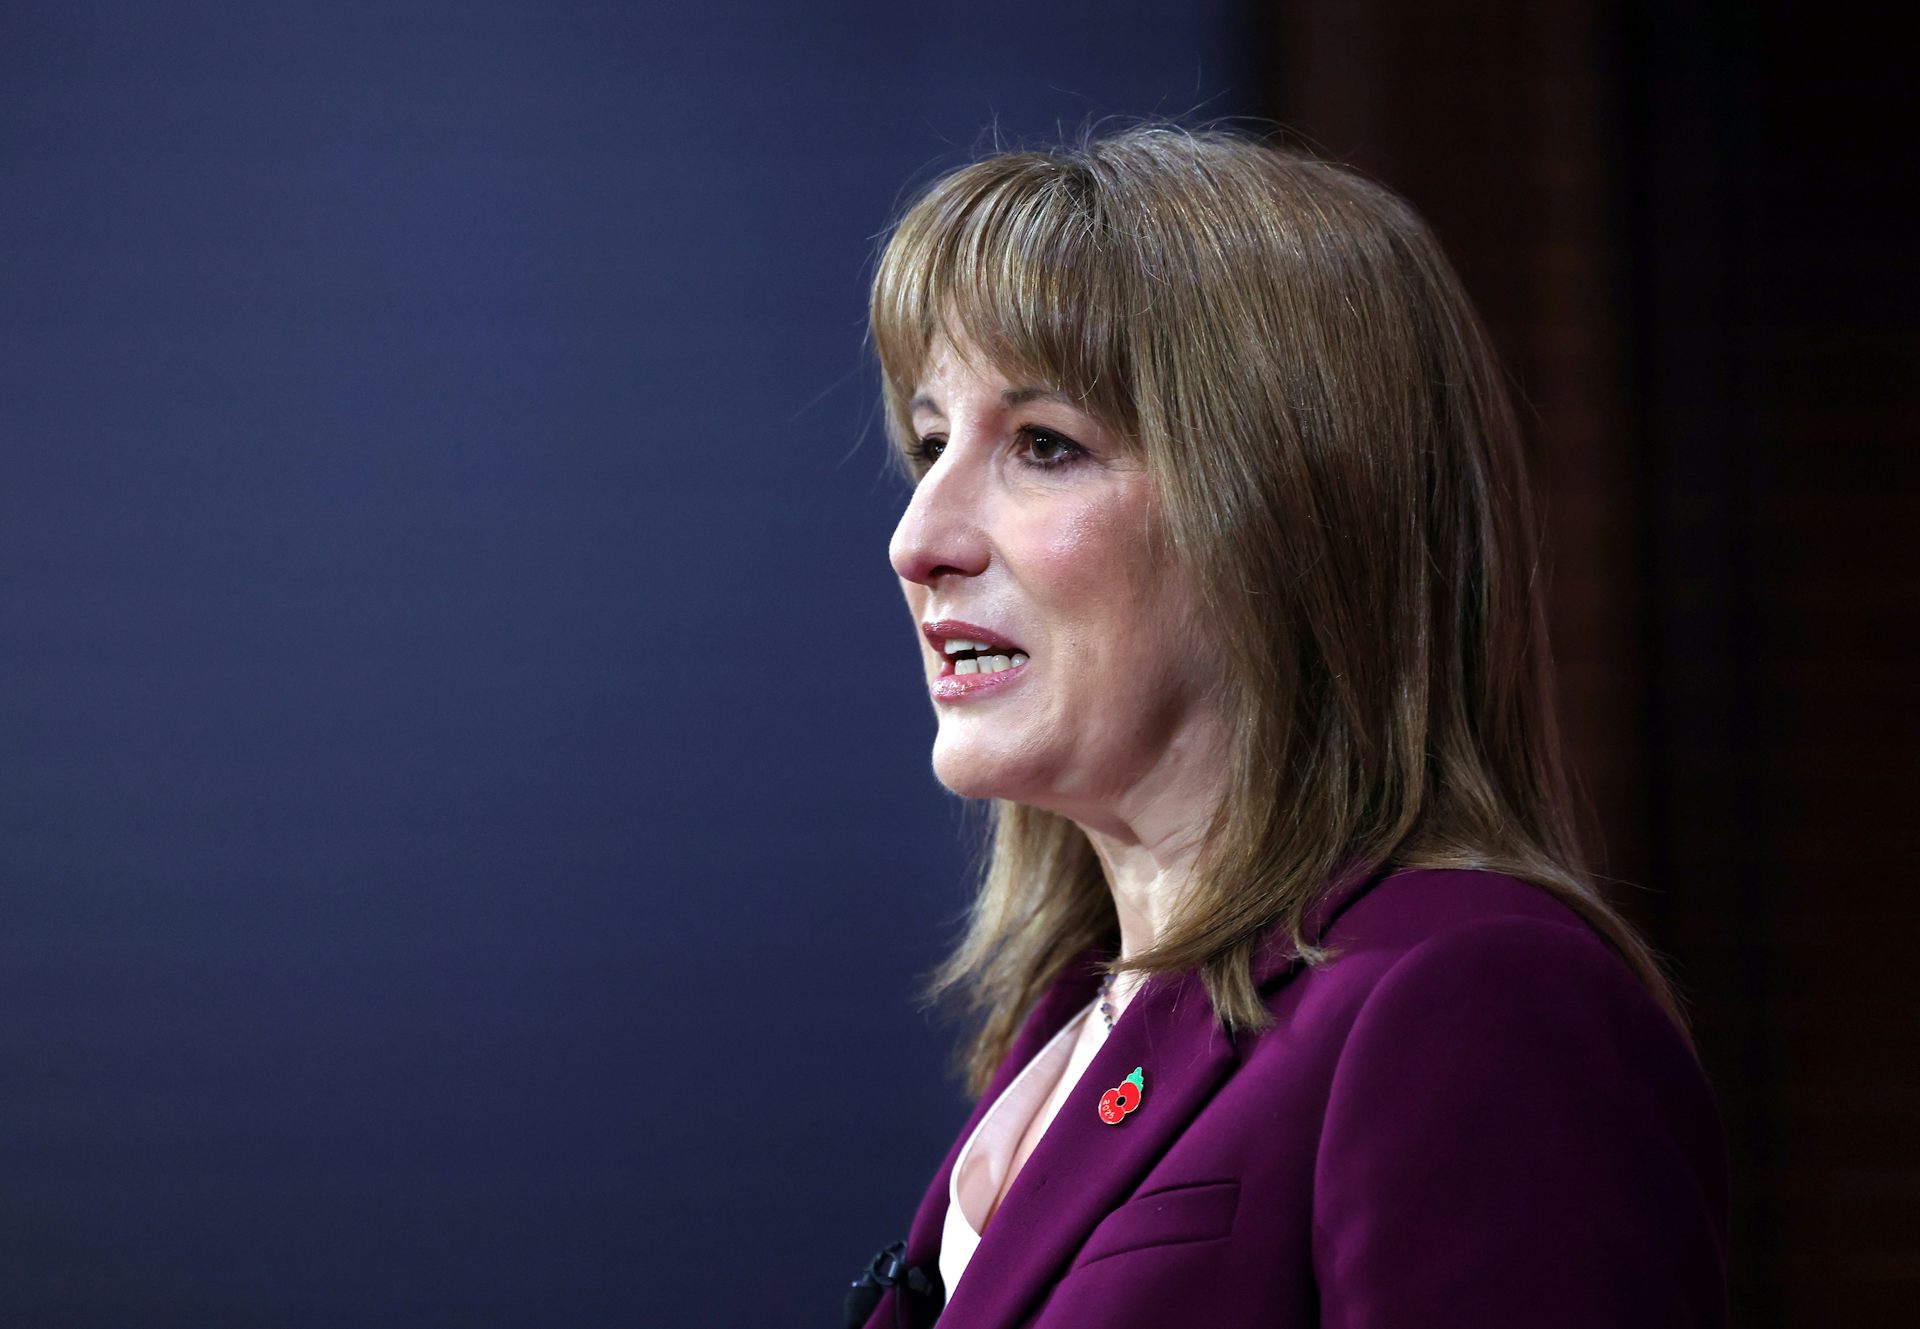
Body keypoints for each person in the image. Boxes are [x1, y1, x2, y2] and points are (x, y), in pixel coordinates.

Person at [845, 123, 1729, 1329]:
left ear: (1290, 515)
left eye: (1045, 446)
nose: (918, 542)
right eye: (931, 445)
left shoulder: (1471, 1000)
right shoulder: (1065, 1026)